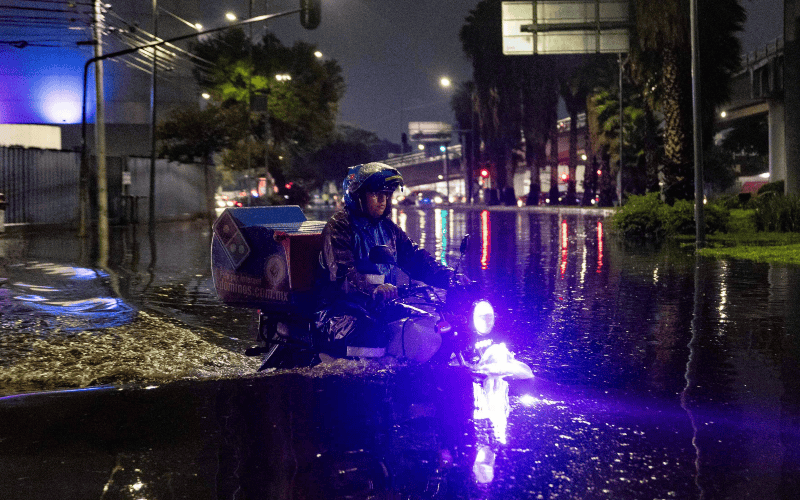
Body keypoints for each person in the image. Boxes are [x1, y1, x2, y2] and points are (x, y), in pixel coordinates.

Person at [316, 162, 461, 362]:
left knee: (430, 324)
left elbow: (417, 258)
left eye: (386, 195)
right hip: (340, 312)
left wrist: (453, 279)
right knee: (373, 334)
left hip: (378, 306)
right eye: (376, 194)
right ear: (358, 196)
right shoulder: (339, 227)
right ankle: (366, 386)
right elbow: (343, 274)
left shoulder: (388, 229)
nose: (383, 200)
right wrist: (373, 289)